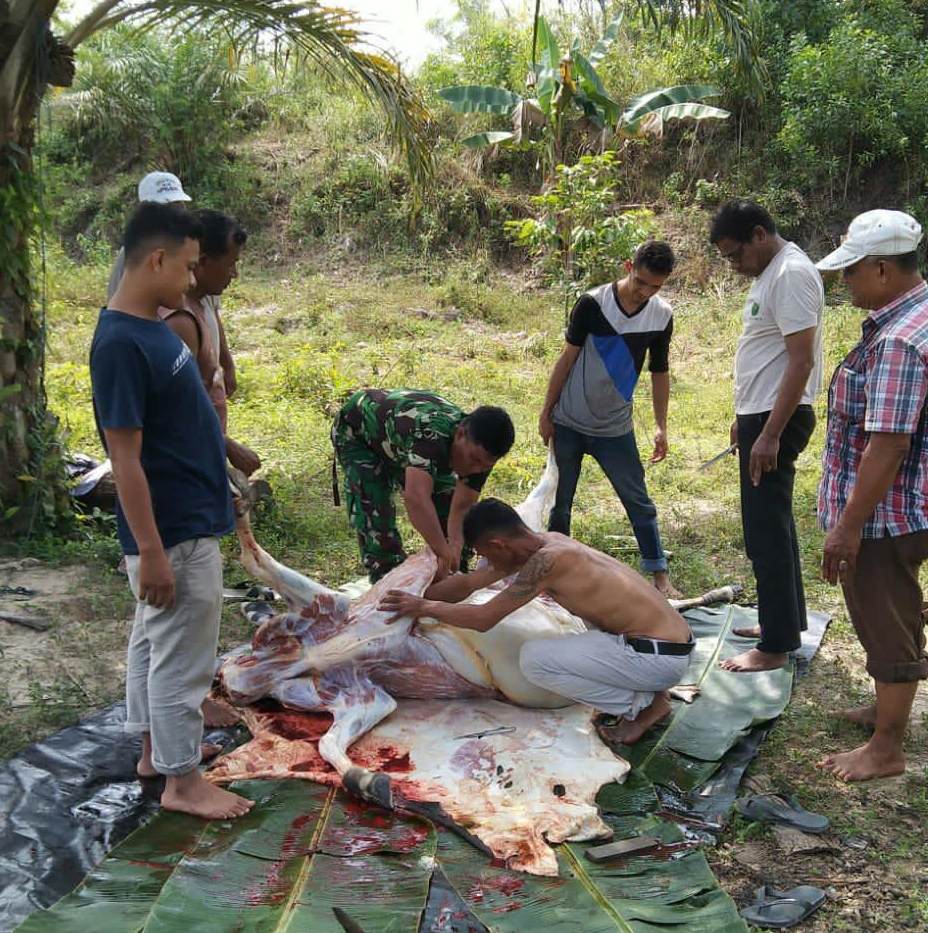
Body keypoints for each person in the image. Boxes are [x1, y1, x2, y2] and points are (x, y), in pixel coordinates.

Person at [90, 202, 253, 820]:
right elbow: (125, 460)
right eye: (186, 266)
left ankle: (155, 754)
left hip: (186, 515)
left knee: (153, 641)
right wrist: (152, 550)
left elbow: (182, 427)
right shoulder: (120, 345)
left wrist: (220, 472)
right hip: (174, 531)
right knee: (183, 658)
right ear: (156, 259)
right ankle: (183, 782)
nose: (192, 279)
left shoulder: (151, 329)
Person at [814, 209, 928, 782]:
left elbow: (889, 445)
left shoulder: (899, 341)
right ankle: (885, 711)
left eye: (850, 271)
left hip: (885, 517)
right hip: (905, 509)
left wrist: (847, 526)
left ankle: (886, 748)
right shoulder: (919, 319)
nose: (844, 282)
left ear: (881, 269)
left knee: (885, 620)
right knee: (895, 609)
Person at [379, 497, 694, 744]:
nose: (486, 563)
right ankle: (654, 693)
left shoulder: (547, 562)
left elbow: (483, 618)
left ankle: (642, 706)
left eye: (483, 554)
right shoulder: (546, 543)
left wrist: (425, 607)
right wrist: (416, 591)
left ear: (498, 545)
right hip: (670, 645)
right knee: (587, 624)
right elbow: (469, 584)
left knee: (534, 661)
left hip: (657, 658)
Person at [709, 200, 824, 673]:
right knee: (773, 525)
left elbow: (801, 360)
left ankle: (775, 645)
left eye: (736, 254)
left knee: (765, 533)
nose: (735, 265)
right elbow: (766, 354)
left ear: (759, 234)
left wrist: (771, 433)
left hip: (778, 420)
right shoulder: (771, 273)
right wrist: (746, 418)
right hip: (761, 416)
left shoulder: (791, 273)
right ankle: (784, 620)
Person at [538, 240, 679, 597]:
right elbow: (566, 359)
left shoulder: (661, 314)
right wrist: (546, 411)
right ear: (629, 267)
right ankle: (552, 575)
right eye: (640, 282)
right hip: (569, 420)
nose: (644, 292)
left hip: (615, 427)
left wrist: (661, 425)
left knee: (638, 500)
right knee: (560, 502)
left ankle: (659, 574)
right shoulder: (592, 303)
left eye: (655, 287)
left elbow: (659, 371)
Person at [332, 388, 515, 582]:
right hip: (359, 432)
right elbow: (416, 499)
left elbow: (462, 505)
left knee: (449, 513)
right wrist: (443, 551)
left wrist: (454, 547)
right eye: (474, 460)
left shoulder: (480, 453)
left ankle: (452, 574)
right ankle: (387, 580)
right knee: (375, 510)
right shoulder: (430, 436)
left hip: (402, 441)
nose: (476, 469)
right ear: (460, 434)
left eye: (485, 466)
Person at [107, 173, 240, 398]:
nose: (192, 280)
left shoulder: (191, 246)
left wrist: (225, 362)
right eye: (165, 208)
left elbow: (213, 310)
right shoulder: (133, 257)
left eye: (178, 206)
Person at [159, 209, 260, 478]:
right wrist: (228, 447)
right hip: (184, 466)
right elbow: (177, 407)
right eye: (230, 264)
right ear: (203, 262)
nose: (234, 274)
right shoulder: (181, 320)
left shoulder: (200, 304)